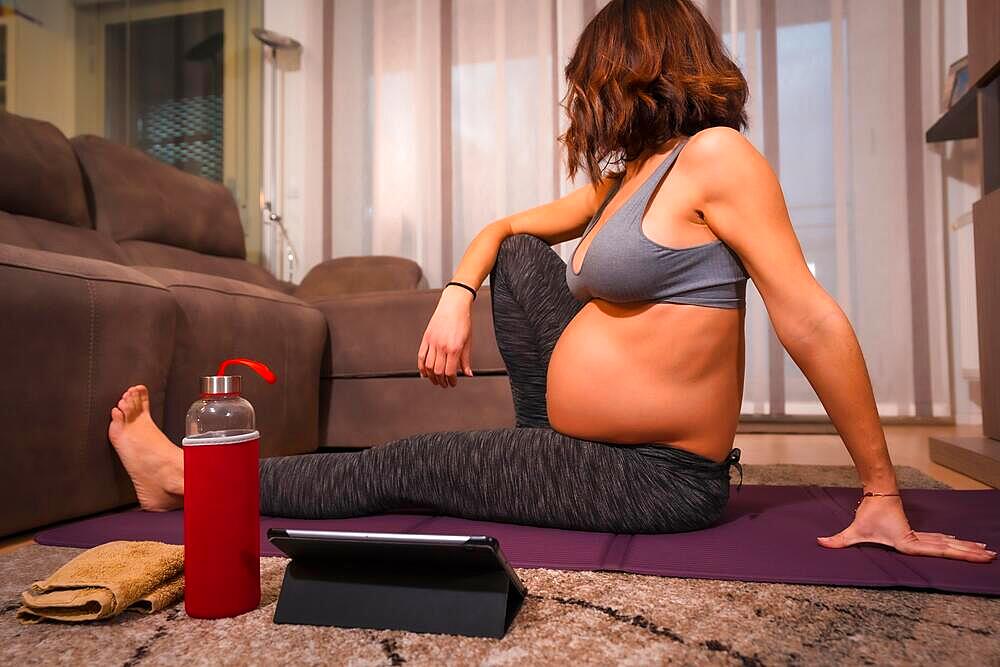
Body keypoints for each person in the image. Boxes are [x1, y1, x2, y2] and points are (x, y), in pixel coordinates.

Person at [108, 0, 993, 561]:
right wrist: (457, 293)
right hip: (586, 443)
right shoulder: (629, 178)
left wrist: (882, 490)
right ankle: (533, 444)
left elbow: (807, 316)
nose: (580, 104)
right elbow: (503, 233)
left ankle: (187, 477)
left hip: (654, 476)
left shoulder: (715, 157)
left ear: (633, 68)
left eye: (588, 84)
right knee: (525, 255)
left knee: (402, 465)